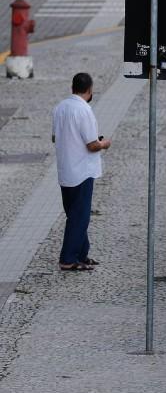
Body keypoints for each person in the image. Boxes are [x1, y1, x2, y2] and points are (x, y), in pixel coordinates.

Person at [52, 73, 111, 271]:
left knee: (75, 214)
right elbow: (92, 145)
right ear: (89, 90)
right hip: (82, 171)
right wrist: (104, 143)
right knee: (80, 216)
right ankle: (68, 259)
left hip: (65, 170)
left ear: (72, 87)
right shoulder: (84, 110)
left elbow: (55, 137)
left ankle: (81, 254)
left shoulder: (59, 108)